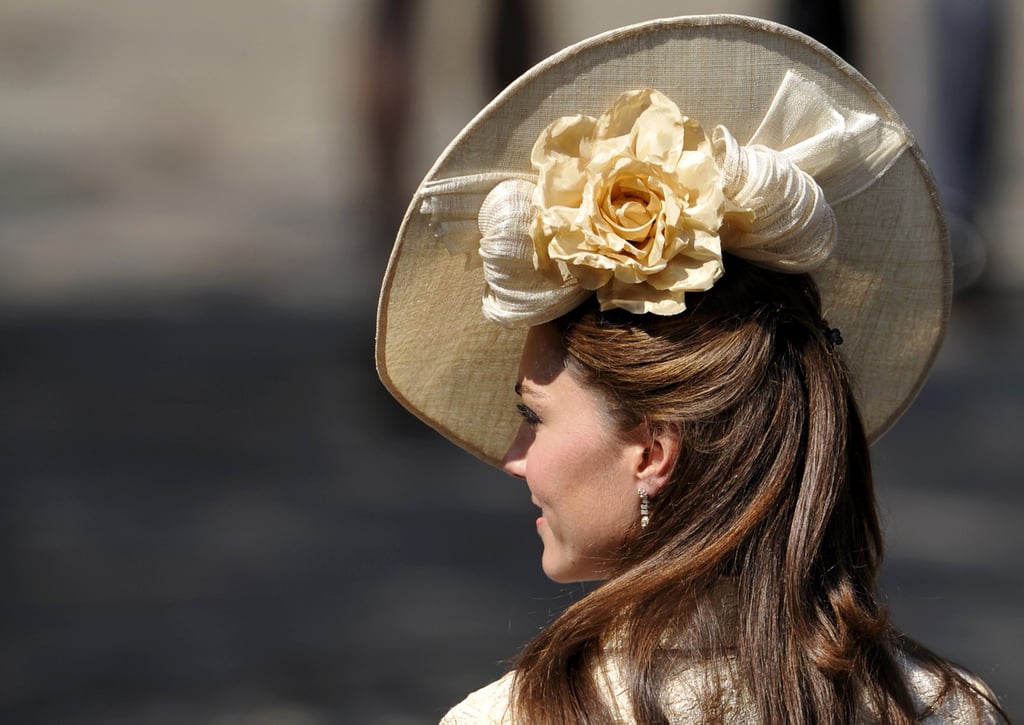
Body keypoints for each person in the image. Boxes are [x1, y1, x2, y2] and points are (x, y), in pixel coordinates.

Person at [375, 15, 1007, 724]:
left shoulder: (519, 716)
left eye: (532, 414)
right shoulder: (945, 709)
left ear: (653, 451)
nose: (515, 457)